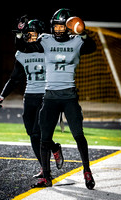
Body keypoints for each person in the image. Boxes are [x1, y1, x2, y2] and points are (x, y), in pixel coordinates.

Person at [15, 8, 96, 189]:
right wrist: (21, 33)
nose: (58, 30)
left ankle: (87, 171)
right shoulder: (46, 40)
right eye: (56, 26)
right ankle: (46, 177)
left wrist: (83, 34)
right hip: (50, 96)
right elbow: (23, 46)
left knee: (79, 135)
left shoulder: (76, 41)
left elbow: (92, 47)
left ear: (68, 26)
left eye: (62, 26)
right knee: (44, 138)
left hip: (69, 96)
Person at [0, 16, 64, 178]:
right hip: (30, 97)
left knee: (37, 133)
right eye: (28, 34)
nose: (30, 36)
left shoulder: (50, 50)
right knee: (32, 135)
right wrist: (2, 96)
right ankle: (51, 153)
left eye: (33, 33)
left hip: (47, 97)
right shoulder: (21, 54)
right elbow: (15, 78)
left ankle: (46, 170)